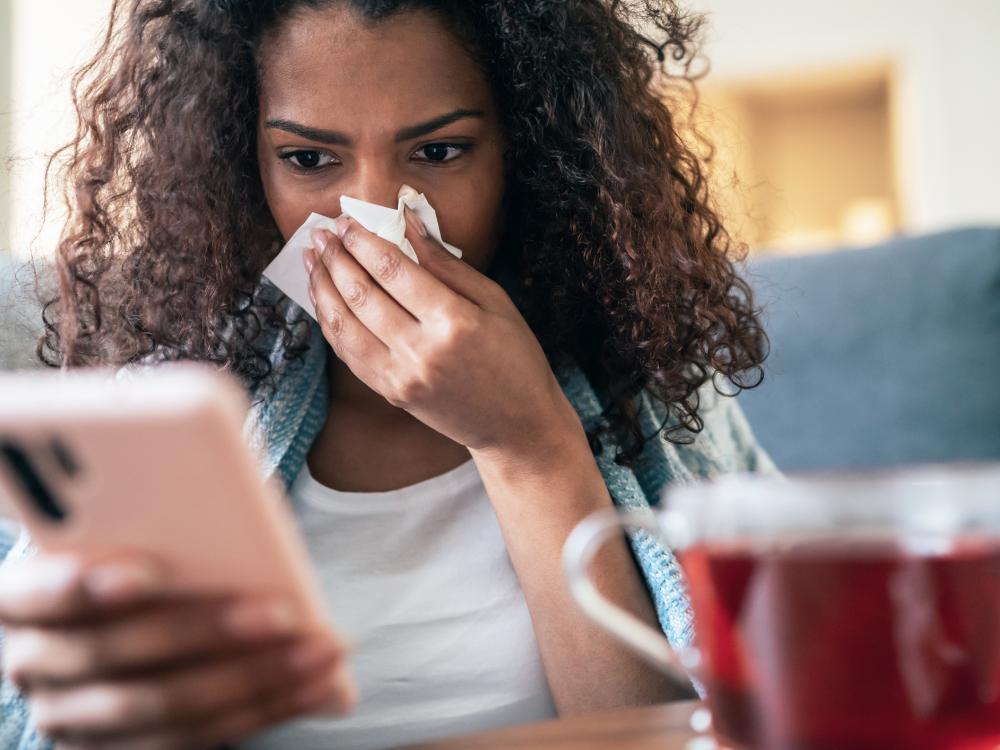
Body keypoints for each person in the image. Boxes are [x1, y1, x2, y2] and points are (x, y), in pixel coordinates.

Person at [0, 1, 776, 748]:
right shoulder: (164, 411)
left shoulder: (656, 390)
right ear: (246, 165)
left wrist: (531, 445)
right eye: (308, 159)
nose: (377, 218)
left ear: (529, 153)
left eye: (438, 152)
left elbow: (707, 728)